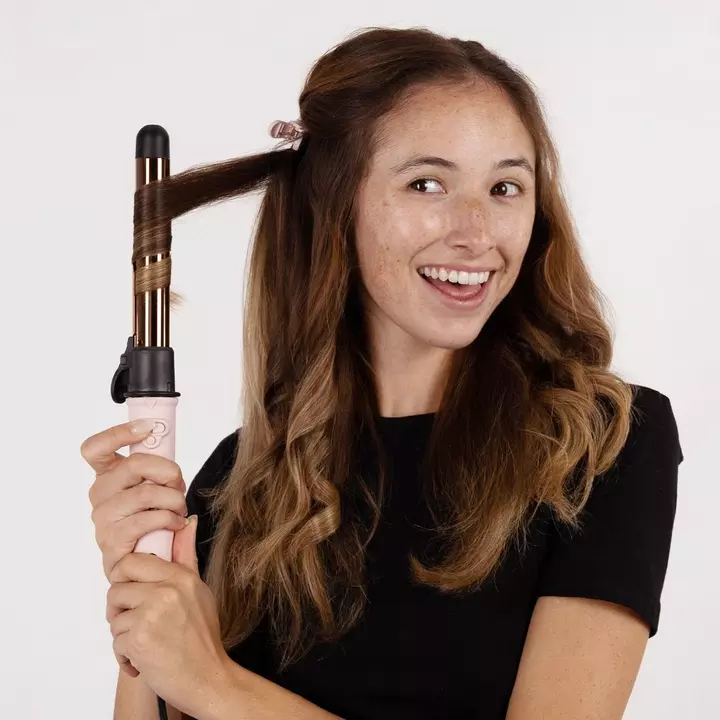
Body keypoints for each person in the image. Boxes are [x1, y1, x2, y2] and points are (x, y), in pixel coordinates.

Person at [82, 26, 683, 720]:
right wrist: (148, 586)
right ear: (337, 206)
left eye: (505, 187)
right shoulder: (240, 484)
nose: (477, 232)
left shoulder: (602, 446)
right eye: (427, 183)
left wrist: (213, 681)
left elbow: (205, 686)